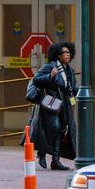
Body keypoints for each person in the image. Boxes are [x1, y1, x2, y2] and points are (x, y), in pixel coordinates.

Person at [30, 42, 77, 170]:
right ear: (58, 55)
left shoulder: (69, 70)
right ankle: (42, 152)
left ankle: (55, 161)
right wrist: (50, 76)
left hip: (64, 104)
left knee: (61, 129)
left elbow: (70, 87)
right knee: (54, 127)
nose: (67, 55)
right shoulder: (50, 67)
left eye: (69, 52)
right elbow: (36, 80)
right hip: (51, 103)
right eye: (64, 53)